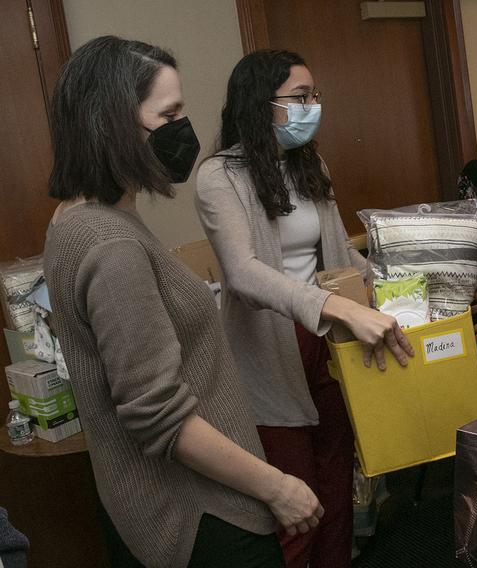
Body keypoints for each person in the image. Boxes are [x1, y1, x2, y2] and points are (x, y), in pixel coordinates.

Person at [44, 37, 321, 568]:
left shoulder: (72, 218)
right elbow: (160, 416)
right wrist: (278, 487)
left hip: (160, 508)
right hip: (201, 512)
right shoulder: (111, 244)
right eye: (168, 114)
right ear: (111, 125)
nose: (183, 131)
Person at [195, 49, 412, 568]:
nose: (312, 106)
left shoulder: (310, 163)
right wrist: (337, 307)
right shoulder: (219, 177)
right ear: (259, 104)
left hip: (329, 338)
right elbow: (243, 274)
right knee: (298, 505)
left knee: (338, 491)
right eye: (299, 98)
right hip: (271, 350)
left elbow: (338, 251)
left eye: (314, 96)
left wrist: (398, 286)